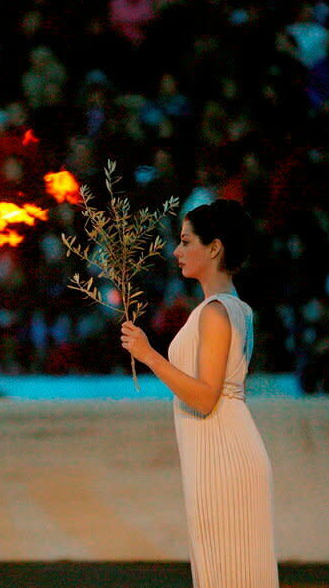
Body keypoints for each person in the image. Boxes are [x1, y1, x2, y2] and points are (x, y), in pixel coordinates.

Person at [121, 199, 279, 587]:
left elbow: (207, 397)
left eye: (185, 240)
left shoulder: (216, 312)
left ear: (214, 248)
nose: (176, 251)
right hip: (219, 449)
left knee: (229, 573)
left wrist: (148, 356)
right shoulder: (232, 307)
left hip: (222, 453)